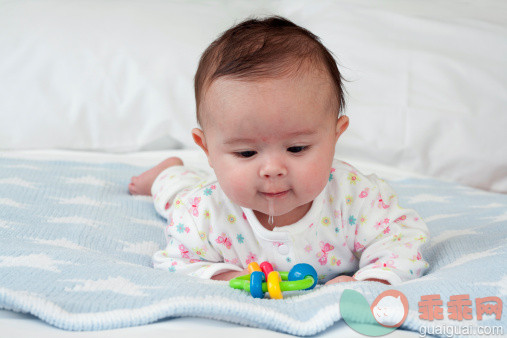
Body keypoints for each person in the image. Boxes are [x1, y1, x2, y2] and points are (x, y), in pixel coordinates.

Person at [128, 16, 429, 285]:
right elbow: (174, 262)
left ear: (336, 136)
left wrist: (369, 282)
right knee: (177, 194)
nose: (273, 168)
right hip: (196, 197)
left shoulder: (358, 200)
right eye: (246, 153)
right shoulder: (203, 212)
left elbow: (401, 243)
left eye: (296, 148)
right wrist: (232, 277)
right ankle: (166, 172)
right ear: (206, 148)